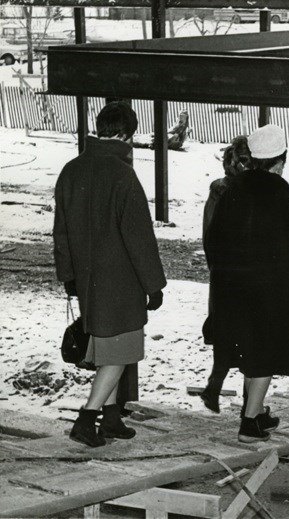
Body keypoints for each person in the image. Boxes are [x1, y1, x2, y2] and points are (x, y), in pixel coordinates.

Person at [53, 101, 166, 447]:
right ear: (126, 134)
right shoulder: (123, 175)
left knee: (109, 349)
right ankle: (87, 420)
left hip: (89, 282)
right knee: (119, 353)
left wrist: (69, 275)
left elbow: (61, 232)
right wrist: (154, 285)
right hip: (121, 282)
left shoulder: (70, 170)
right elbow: (139, 236)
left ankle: (112, 418)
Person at [204, 124, 289, 443]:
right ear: (280, 159)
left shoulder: (234, 187)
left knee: (249, 352)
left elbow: (215, 239)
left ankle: (257, 412)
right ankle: (249, 424)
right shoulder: (279, 192)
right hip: (266, 289)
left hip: (232, 287)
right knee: (264, 355)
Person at [200, 136, 251, 414]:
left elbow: (209, 234)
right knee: (249, 337)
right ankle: (248, 404)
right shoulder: (244, 191)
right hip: (243, 274)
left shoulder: (218, 190)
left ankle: (213, 388)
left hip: (222, 275)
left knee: (225, 334)